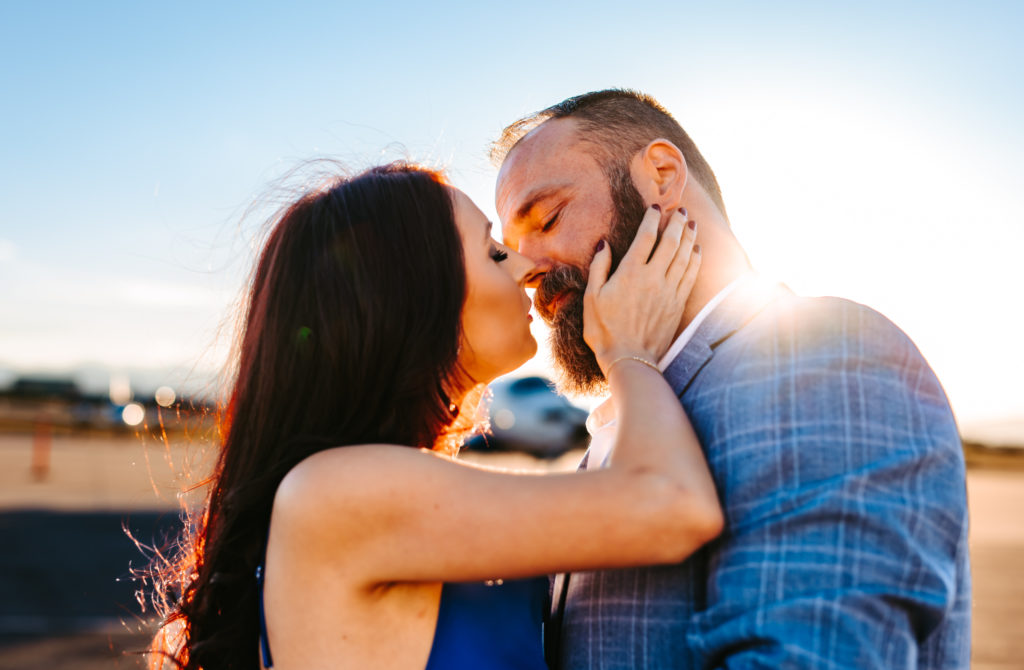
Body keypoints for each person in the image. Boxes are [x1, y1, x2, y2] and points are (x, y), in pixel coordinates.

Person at [149, 162, 722, 669]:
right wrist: (628, 352)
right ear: (411, 298)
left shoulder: (376, 485)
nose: (525, 265)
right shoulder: (337, 491)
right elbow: (674, 506)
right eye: (494, 252)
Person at [492, 89, 971, 669]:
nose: (526, 271)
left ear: (663, 175)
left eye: (547, 218)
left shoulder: (822, 357)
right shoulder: (635, 405)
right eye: (511, 251)